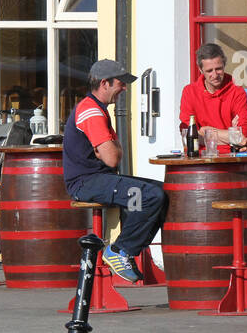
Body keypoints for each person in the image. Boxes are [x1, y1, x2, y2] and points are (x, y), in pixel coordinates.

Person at [62, 59, 169, 282]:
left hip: (99, 178)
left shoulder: (97, 109)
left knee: (163, 192)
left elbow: (112, 154)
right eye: (121, 83)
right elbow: (113, 158)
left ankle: (128, 250)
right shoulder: (91, 112)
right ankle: (120, 250)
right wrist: (111, 149)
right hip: (86, 183)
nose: (124, 88)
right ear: (105, 83)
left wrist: (111, 149)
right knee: (150, 196)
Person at [178, 43, 247, 153]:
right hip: (199, 158)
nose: (215, 75)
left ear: (224, 65)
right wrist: (230, 135)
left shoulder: (237, 90)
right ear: (200, 70)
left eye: (218, 69)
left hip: (231, 157)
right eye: (209, 71)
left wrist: (208, 133)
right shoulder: (189, 92)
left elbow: (242, 136)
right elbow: (190, 133)